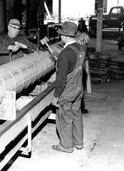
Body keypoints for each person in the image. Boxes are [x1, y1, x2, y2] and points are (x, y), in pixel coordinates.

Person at [51, 21, 85, 153]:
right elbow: (74, 65)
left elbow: (61, 80)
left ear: (64, 36)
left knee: (64, 118)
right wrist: (59, 60)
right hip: (78, 89)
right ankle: (78, 143)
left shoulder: (65, 54)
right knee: (76, 115)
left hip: (67, 91)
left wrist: (56, 97)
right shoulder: (80, 48)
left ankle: (66, 146)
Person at [75, 32, 90, 114]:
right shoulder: (83, 47)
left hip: (79, 72)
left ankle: (80, 108)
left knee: (78, 91)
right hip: (81, 71)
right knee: (80, 91)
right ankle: (81, 108)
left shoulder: (80, 48)